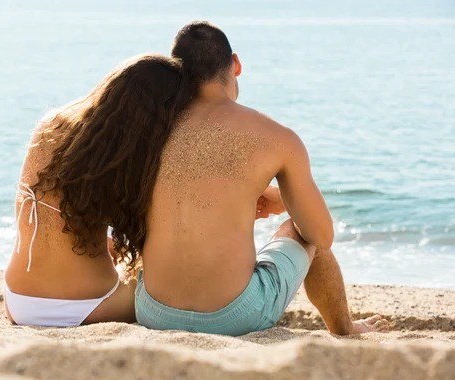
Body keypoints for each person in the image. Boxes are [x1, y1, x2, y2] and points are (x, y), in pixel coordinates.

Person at [135, 21, 390, 336]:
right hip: (231, 318)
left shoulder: (151, 131)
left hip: (153, 312)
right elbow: (321, 235)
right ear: (236, 64)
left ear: (177, 73)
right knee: (303, 231)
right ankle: (345, 330)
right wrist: (284, 201)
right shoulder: (276, 136)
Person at [4, 54, 192, 327]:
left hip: (17, 301)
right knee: (174, 281)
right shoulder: (129, 159)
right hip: (91, 305)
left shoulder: (51, 125)